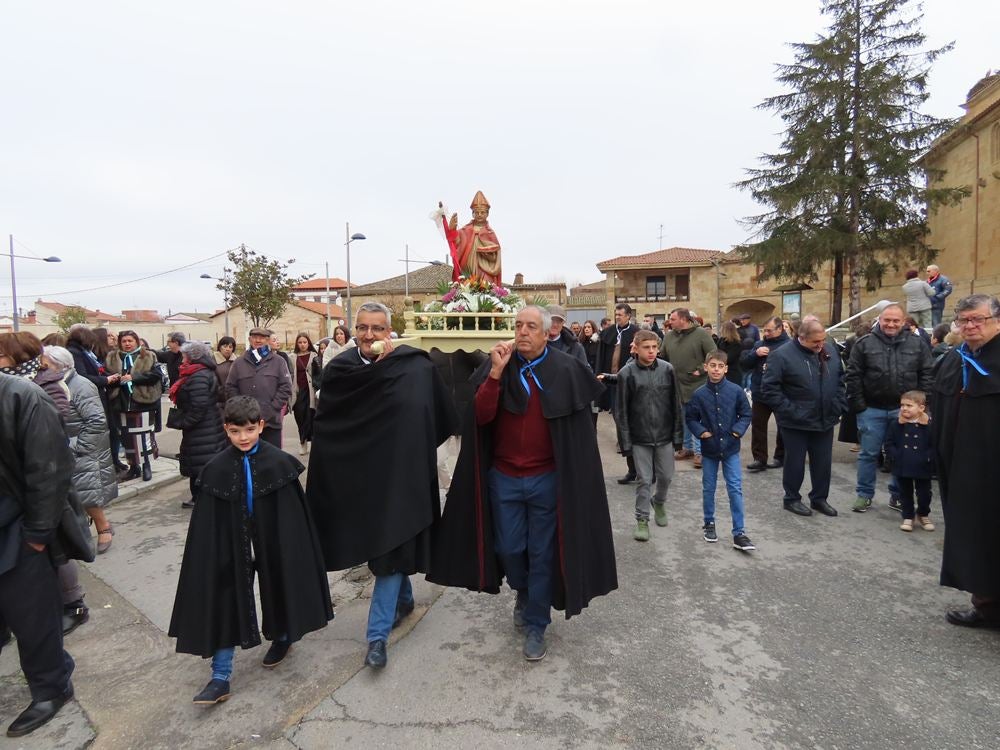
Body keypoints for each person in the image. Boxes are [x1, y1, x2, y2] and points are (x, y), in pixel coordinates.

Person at [428, 305, 617, 662]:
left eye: (531, 326)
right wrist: (496, 374)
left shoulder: (565, 369)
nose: (523, 332)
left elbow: (579, 433)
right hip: (505, 479)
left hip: (546, 479)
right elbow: (481, 417)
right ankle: (524, 589)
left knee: (543, 552)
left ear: (548, 333)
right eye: (518, 326)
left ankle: (536, 623)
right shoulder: (498, 365)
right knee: (511, 549)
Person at [307, 302, 456, 670]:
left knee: (391, 553)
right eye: (363, 328)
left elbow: (437, 417)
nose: (369, 335)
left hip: (402, 478)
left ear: (389, 331)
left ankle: (376, 638)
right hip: (359, 479)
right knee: (385, 549)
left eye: (377, 328)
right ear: (353, 329)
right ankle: (404, 601)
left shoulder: (414, 367)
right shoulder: (340, 369)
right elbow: (329, 427)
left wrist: (411, 449)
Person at [168, 396, 333, 705]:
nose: (242, 438)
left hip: (272, 538)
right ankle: (220, 676)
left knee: (279, 585)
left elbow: (294, 515)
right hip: (230, 542)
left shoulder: (279, 463)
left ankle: (282, 638)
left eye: (248, 430)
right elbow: (207, 522)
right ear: (225, 430)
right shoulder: (216, 469)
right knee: (224, 599)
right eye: (234, 432)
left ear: (261, 425)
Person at [0, 372, 76, 738]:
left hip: (17, 529)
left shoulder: (20, 395)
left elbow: (51, 467)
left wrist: (37, 534)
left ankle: (51, 688)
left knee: (32, 617)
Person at [930, 294, 1000, 629]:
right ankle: (986, 606)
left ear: (997, 320)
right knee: (973, 536)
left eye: (979, 319)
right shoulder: (953, 358)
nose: (970, 326)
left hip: (993, 467)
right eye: (964, 320)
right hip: (960, 466)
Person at [42, 345, 118, 630]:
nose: (41, 368)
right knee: (77, 497)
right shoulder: (56, 384)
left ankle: (104, 528)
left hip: (79, 450)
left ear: (59, 365)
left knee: (88, 496)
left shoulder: (80, 385)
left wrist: (74, 448)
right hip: (64, 451)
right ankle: (86, 531)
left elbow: (97, 421)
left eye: (45, 363)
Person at [845, 304, 934, 513]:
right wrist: (860, 407)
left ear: (903, 321)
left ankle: (898, 495)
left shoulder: (918, 344)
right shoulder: (864, 344)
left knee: (901, 454)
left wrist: (922, 406)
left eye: (896, 320)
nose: (891, 324)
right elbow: (853, 375)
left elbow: (927, 374)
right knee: (868, 454)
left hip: (904, 410)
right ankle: (864, 495)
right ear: (880, 319)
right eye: (887, 320)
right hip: (872, 409)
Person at [760, 317, 847, 517]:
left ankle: (819, 499)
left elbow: (841, 379)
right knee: (795, 463)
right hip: (795, 422)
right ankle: (791, 498)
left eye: (822, 340)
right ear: (801, 337)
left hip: (825, 418)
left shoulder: (829, 350)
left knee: (823, 463)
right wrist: (790, 411)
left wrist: (838, 405)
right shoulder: (781, 356)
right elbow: (770, 389)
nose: (820, 345)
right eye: (815, 342)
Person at [605, 330, 682, 541]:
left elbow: (676, 404)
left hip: (664, 435)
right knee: (644, 480)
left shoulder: (668, 370)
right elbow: (620, 411)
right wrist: (625, 443)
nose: (651, 351)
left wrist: (677, 436)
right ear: (636, 348)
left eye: (654, 347)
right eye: (646, 347)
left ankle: (659, 501)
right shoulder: (626, 374)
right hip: (640, 437)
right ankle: (642, 519)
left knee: (666, 476)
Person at [684, 350, 755, 551]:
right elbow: (690, 418)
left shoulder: (736, 391)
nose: (716, 370)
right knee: (709, 487)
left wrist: (736, 432)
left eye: (720, 366)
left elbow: (745, 414)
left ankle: (739, 532)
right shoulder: (699, 394)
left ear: (726, 369)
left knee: (735, 488)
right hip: (709, 449)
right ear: (706, 367)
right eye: (712, 365)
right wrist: (702, 433)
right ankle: (709, 523)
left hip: (731, 448)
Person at [166, 342, 227, 509]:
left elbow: (198, 407)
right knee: (203, 461)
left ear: (193, 357)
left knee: (200, 463)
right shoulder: (201, 372)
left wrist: (185, 423)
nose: (182, 359)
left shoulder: (198, 375)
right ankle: (203, 496)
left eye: (185, 356)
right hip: (208, 426)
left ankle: (201, 497)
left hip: (202, 428)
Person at [658, 307, 717, 469]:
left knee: (698, 418)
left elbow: (714, 354)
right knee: (683, 417)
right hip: (678, 384)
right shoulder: (669, 336)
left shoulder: (701, 335)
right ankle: (687, 448)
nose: (670, 322)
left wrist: (702, 368)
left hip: (698, 384)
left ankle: (700, 452)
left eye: (673, 319)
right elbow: (662, 356)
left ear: (684, 319)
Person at [67, 326, 126, 475]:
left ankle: (113, 461)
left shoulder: (85, 353)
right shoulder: (77, 353)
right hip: (92, 397)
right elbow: (83, 376)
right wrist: (106, 379)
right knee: (105, 431)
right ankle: (109, 464)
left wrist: (114, 378)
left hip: (100, 395)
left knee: (112, 430)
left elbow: (98, 370)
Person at [106, 330, 162, 482]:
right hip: (121, 402)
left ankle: (146, 465)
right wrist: (117, 379)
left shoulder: (148, 356)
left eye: (130, 341)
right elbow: (107, 375)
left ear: (136, 341)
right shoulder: (112, 357)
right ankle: (134, 467)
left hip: (142, 402)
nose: (127, 344)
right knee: (126, 437)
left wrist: (134, 377)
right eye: (124, 341)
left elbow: (156, 376)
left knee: (143, 436)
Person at [225, 327, 292, 449]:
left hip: (271, 423)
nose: (258, 340)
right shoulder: (238, 363)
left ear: (267, 340)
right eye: (255, 337)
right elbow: (230, 387)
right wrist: (241, 409)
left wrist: (272, 409)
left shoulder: (279, 361)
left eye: (262, 337)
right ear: (250, 339)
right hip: (245, 425)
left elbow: (286, 387)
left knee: (272, 461)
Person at [596, 303, 639, 483]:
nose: (618, 317)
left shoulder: (637, 332)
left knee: (633, 422)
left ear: (628, 315)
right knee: (618, 416)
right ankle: (631, 468)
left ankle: (644, 469)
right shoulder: (608, 332)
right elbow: (600, 355)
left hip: (631, 383)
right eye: (616, 315)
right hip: (611, 380)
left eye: (621, 314)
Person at [741, 317, 790, 471]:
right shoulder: (759, 344)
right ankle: (759, 458)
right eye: (764, 330)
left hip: (781, 393)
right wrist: (755, 354)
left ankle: (780, 456)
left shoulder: (789, 346)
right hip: (760, 392)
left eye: (769, 330)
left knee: (783, 426)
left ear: (780, 329)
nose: (766, 333)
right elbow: (745, 364)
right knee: (758, 426)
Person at [884, 390, 935, 533]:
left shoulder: (929, 425)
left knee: (925, 494)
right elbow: (889, 443)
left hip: (923, 465)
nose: (904, 408)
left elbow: (934, 444)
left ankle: (923, 513)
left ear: (921, 408)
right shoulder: (896, 424)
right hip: (903, 464)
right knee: (905, 493)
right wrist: (895, 455)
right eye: (902, 405)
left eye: (909, 405)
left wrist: (928, 457)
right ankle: (908, 516)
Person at [444, 190, 502, 284]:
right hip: (467, 268)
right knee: (467, 287)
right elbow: (456, 242)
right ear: (473, 213)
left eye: (482, 212)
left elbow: (496, 255)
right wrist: (453, 230)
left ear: (487, 214)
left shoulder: (490, 233)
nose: (479, 215)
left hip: (484, 268)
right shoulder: (465, 230)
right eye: (477, 212)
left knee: (486, 287)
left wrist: (487, 253)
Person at [290, 333, 321, 456]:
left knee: (311, 417)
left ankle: (313, 442)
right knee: (300, 417)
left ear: (308, 343)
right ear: (297, 344)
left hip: (311, 391)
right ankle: (302, 442)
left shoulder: (315, 356)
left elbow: (319, 373)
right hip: (298, 392)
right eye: (300, 342)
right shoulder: (292, 357)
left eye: (305, 342)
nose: (302, 345)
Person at [715, 320, 744, 385]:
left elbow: (729, 358)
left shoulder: (736, 343)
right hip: (722, 371)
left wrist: (719, 357)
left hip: (732, 373)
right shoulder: (721, 340)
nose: (720, 330)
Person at [213, 336, 238, 405]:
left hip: (234, 399)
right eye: (225, 346)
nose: (227, 349)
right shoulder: (213, 361)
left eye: (230, 347)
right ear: (220, 347)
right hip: (218, 400)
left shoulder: (237, 361)